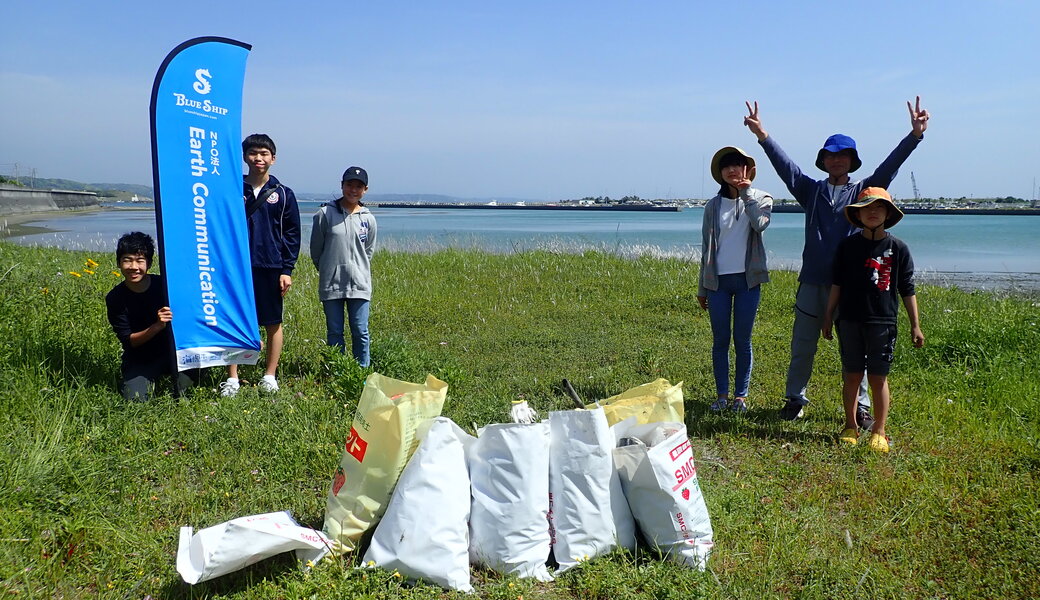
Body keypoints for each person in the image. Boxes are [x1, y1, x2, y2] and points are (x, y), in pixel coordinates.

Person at [743, 97, 930, 424]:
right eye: (831, 156)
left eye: (843, 156)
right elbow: (787, 168)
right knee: (803, 345)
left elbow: (889, 166)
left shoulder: (863, 192)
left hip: (852, 287)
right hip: (813, 282)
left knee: (855, 351)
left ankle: (861, 407)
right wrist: (763, 136)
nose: (837, 161)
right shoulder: (810, 191)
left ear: (852, 161)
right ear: (823, 161)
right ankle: (794, 398)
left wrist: (914, 135)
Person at [822, 188, 924, 452]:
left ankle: (879, 430)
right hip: (849, 320)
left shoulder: (898, 248)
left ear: (888, 213)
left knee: (878, 378)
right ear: (858, 214)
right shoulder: (847, 247)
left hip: (884, 322)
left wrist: (915, 325)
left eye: (879, 208)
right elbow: (837, 284)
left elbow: (907, 288)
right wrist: (828, 315)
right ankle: (850, 426)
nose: (873, 212)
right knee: (852, 375)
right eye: (866, 208)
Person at [221, 134, 301, 396]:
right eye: (253, 153)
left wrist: (286, 270)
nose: (259, 158)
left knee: (273, 322)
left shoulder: (283, 194)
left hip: (270, 266)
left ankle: (269, 374)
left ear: (273, 159)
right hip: (235, 267)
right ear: (244, 157)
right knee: (234, 319)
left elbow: (292, 234)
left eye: (264, 153)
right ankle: (232, 377)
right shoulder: (231, 188)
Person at [697, 147, 773, 413]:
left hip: (747, 282)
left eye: (737, 165)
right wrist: (702, 287)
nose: (732, 170)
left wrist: (746, 194)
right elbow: (706, 247)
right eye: (726, 165)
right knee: (720, 340)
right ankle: (721, 395)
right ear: (719, 173)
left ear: (747, 170)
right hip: (717, 282)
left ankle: (741, 396)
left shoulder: (762, 198)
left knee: (743, 339)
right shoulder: (712, 206)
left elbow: (760, 224)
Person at [105, 232, 195, 401]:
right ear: (118, 263)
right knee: (135, 399)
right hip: (140, 357)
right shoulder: (115, 298)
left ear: (149, 263)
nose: (134, 267)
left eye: (140, 260)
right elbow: (129, 341)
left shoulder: (165, 286)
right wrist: (157, 326)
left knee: (192, 379)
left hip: (174, 351)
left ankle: (178, 382)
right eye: (127, 260)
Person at [310, 166, 378, 367]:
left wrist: (358, 270)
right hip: (332, 283)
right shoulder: (325, 214)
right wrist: (327, 269)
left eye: (358, 186)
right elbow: (316, 250)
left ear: (365, 189)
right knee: (334, 330)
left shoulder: (368, 219)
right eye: (349, 185)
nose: (353, 190)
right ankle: (337, 370)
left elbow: (369, 251)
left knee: (360, 329)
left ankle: (361, 372)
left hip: (359, 283)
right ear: (342, 186)